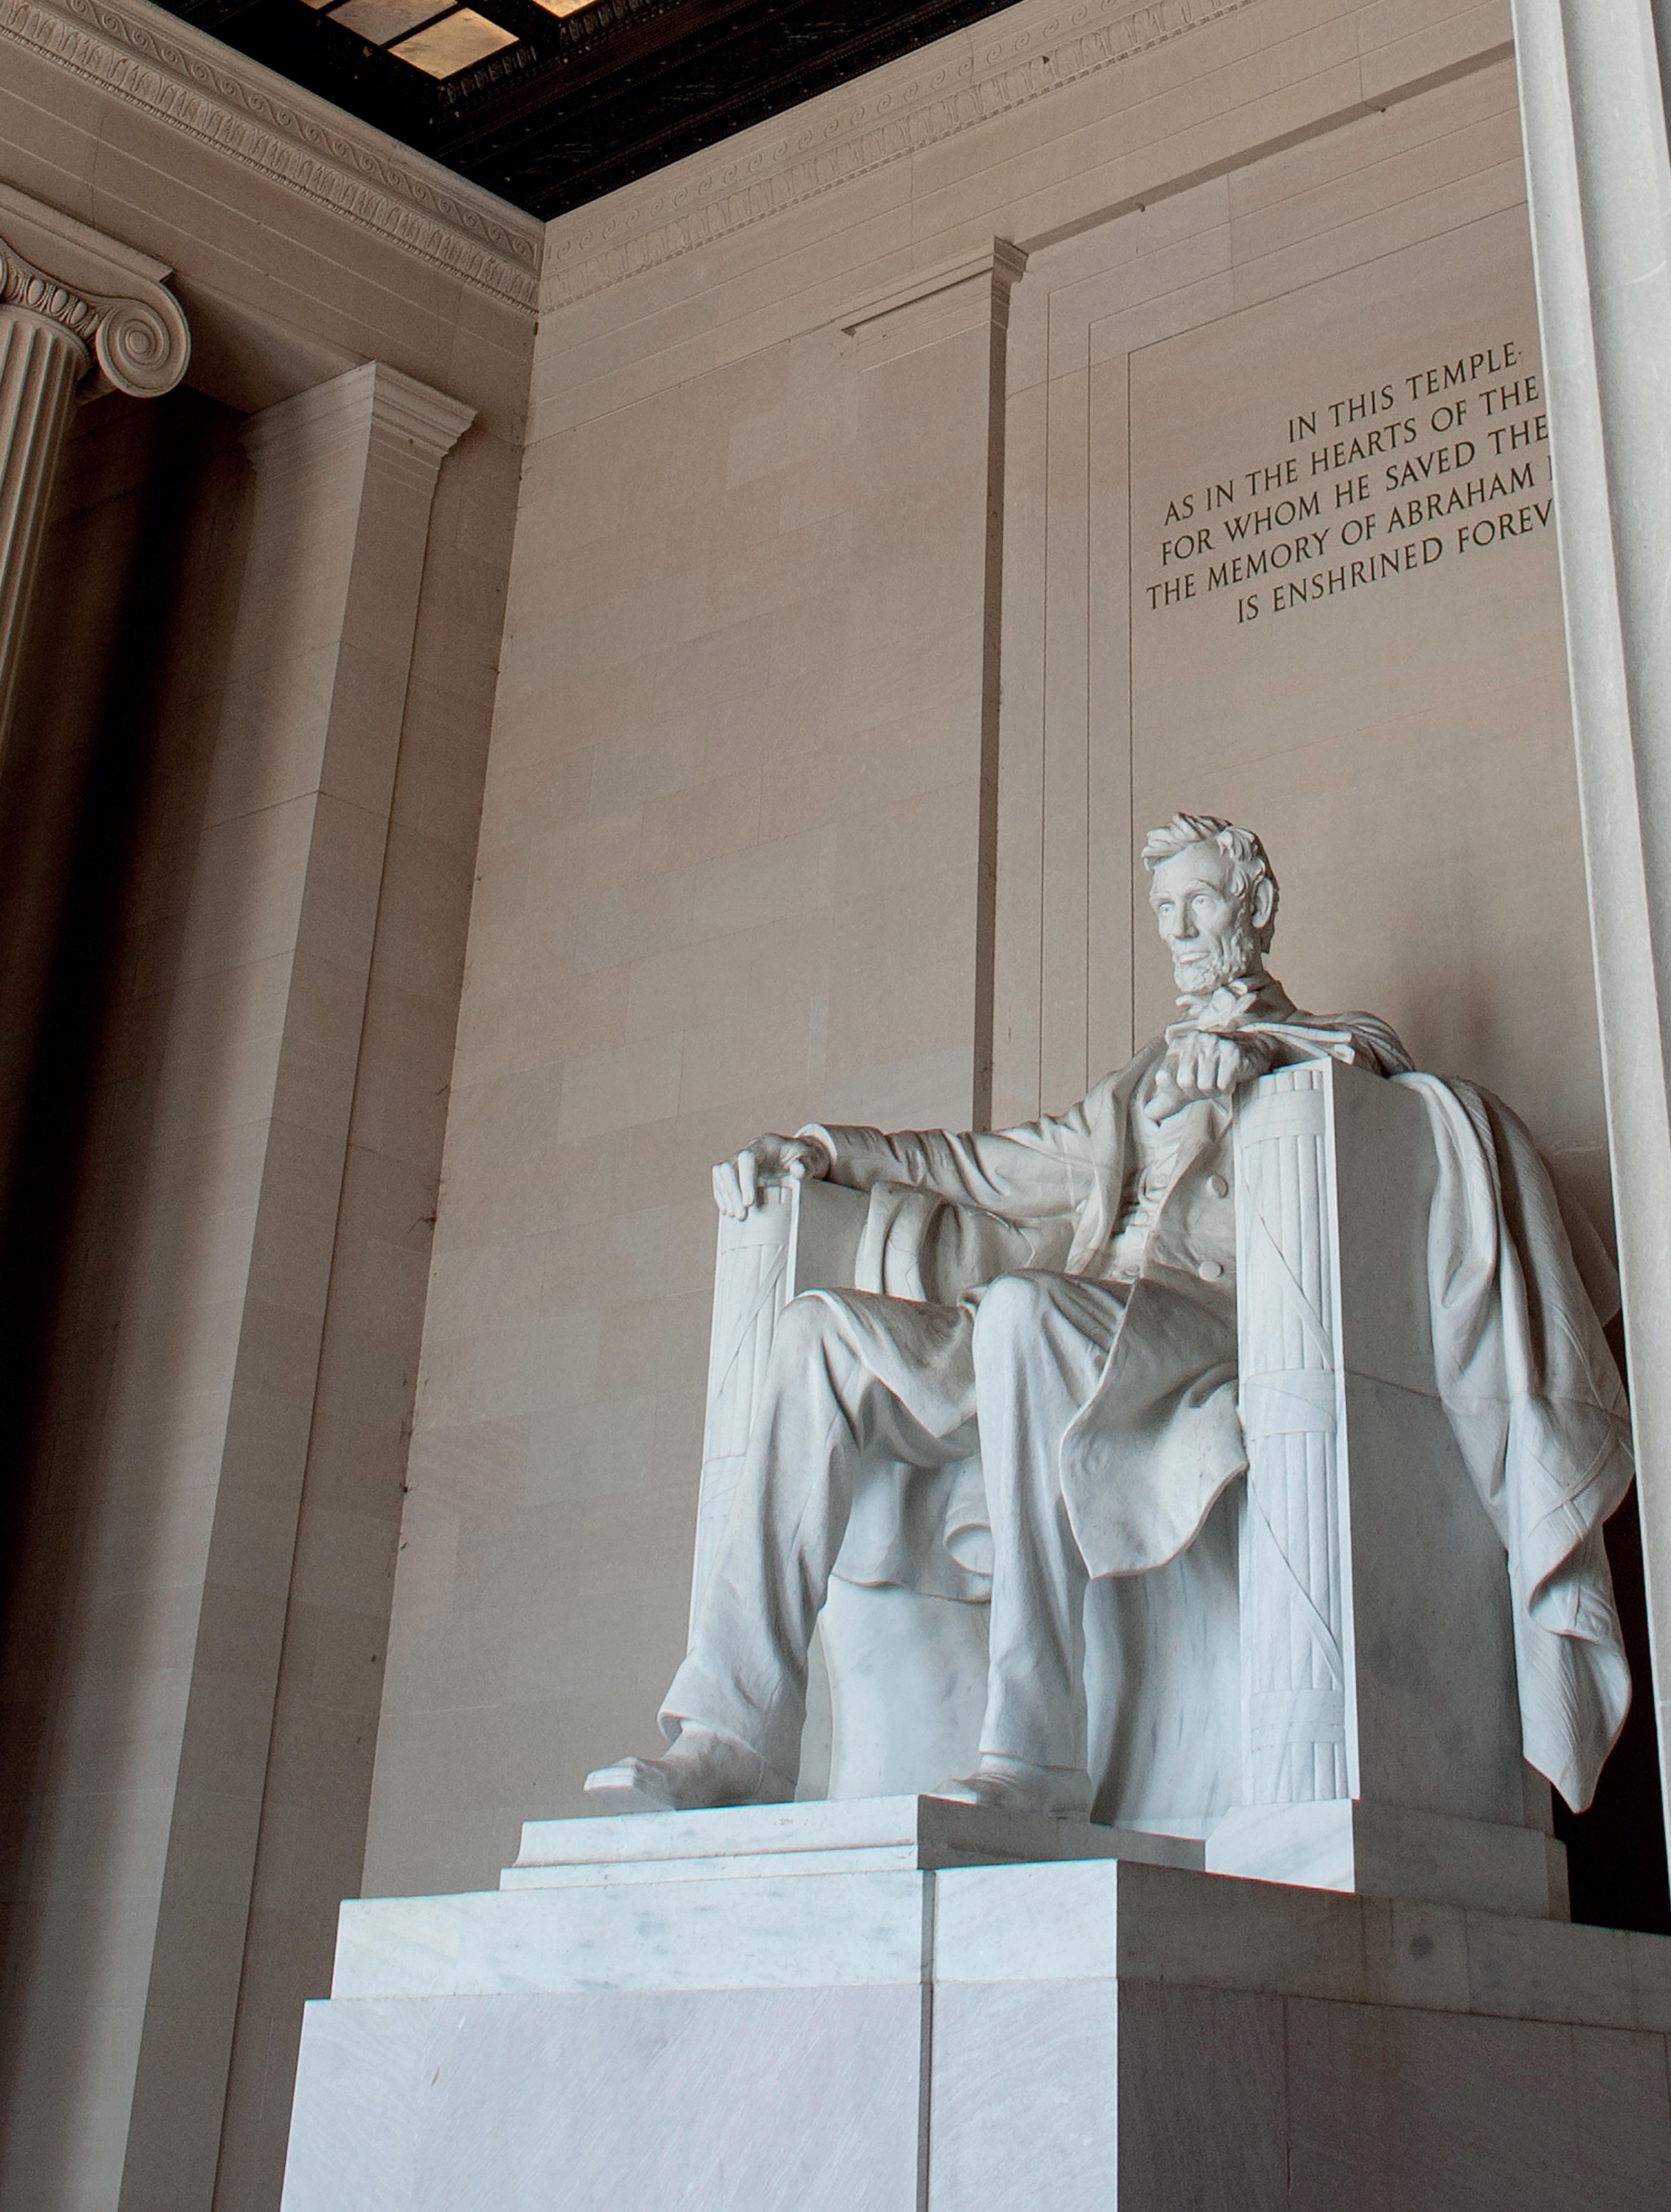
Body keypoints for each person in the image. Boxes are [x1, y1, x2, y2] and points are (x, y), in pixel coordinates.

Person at [586, 814, 1415, 1817]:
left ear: (1258, 905)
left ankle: (1034, 1747)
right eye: (1164, 908)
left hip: (1192, 1328)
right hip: (1059, 1327)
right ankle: (734, 1733)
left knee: (1023, 1313)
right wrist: (827, 1151)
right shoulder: (1137, 1084)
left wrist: (1259, 1055)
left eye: (1199, 900)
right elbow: (987, 1167)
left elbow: (1377, 1069)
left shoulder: (1324, 1045)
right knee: (815, 1335)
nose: (1178, 929)